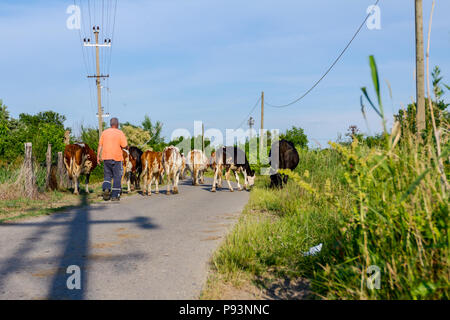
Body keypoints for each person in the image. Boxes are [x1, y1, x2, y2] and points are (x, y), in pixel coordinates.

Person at [97, 118, 128, 201]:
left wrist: (98, 157)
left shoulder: (104, 132)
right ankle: (114, 196)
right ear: (117, 124)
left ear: (110, 124)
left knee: (107, 176)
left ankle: (106, 188)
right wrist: (126, 147)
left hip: (106, 157)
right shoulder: (120, 133)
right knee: (117, 176)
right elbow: (124, 145)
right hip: (117, 158)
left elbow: (100, 145)